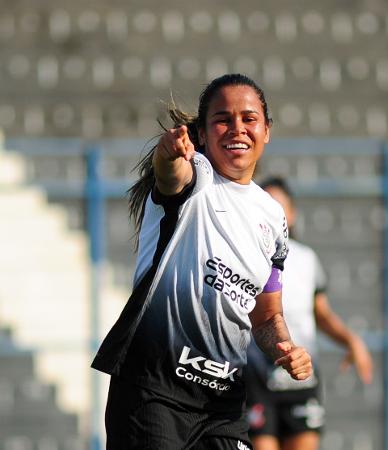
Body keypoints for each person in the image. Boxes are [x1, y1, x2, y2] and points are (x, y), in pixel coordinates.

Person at [91, 74, 313, 450]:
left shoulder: (273, 218)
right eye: (223, 119)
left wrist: (284, 348)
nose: (237, 128)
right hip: (154, 391)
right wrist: (168, 155)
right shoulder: (198, 175)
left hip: (221, 408)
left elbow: (266, 316)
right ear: (202, 133)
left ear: (267, 130)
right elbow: (171, 177)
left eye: (249, 118)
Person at [246, 177, 373, 450]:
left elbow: (321, 314)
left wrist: (350, 340)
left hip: (300, 379)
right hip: (255, 378)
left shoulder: (307, 259)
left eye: (279, 207)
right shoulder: (243, 258)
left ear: (291, 215)